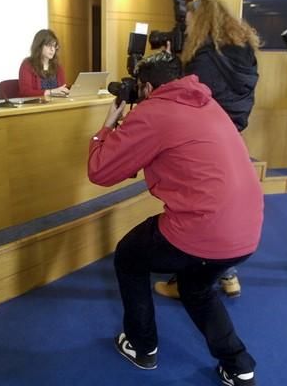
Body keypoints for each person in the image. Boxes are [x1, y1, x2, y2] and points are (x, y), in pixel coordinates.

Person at [88, 53, 263, 386]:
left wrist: (108, 125)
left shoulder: (154, 111)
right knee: (196, 286)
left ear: (148, 86)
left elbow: (100, 170)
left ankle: (142, 347)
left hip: (204, 228)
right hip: (247, 229)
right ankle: (239, 366)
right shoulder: (206, 102)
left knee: (129, 256)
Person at [154, 0, 261, 300]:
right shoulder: (244, 51)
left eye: (188, 23)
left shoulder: (205, 58)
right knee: (223, 204)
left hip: (205, 139)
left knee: (198, 208)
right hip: (234, 134)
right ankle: (228, 276)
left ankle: (185, 279)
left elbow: (188, 97)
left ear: (200, 22)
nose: (186, 30)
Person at [18, 29, 69, 99]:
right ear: (39, 46)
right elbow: (25, 92)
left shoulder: (58, 67)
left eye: (54, 46)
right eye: (49, 45)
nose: (52, 49)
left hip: (57, 105)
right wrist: (51, 92)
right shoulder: (27, 64)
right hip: (37, 107)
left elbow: (62, 89)